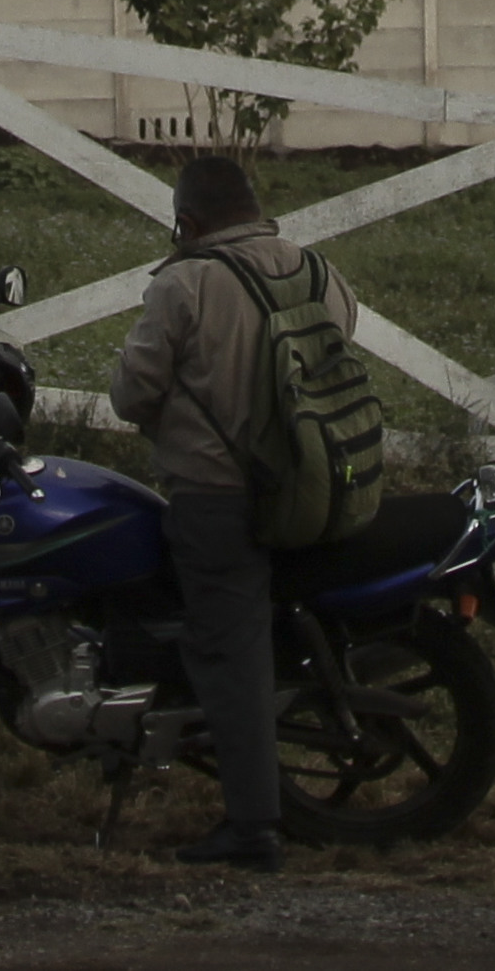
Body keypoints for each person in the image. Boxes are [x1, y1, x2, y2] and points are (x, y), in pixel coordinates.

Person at [108, 147, 355, 874]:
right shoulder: (319, 273)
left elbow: (131, 395)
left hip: (216, 498)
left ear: (186, 221)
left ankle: (253, 829)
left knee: (229, 649)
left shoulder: (184, 286)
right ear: (254, 207)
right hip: (315, 489)